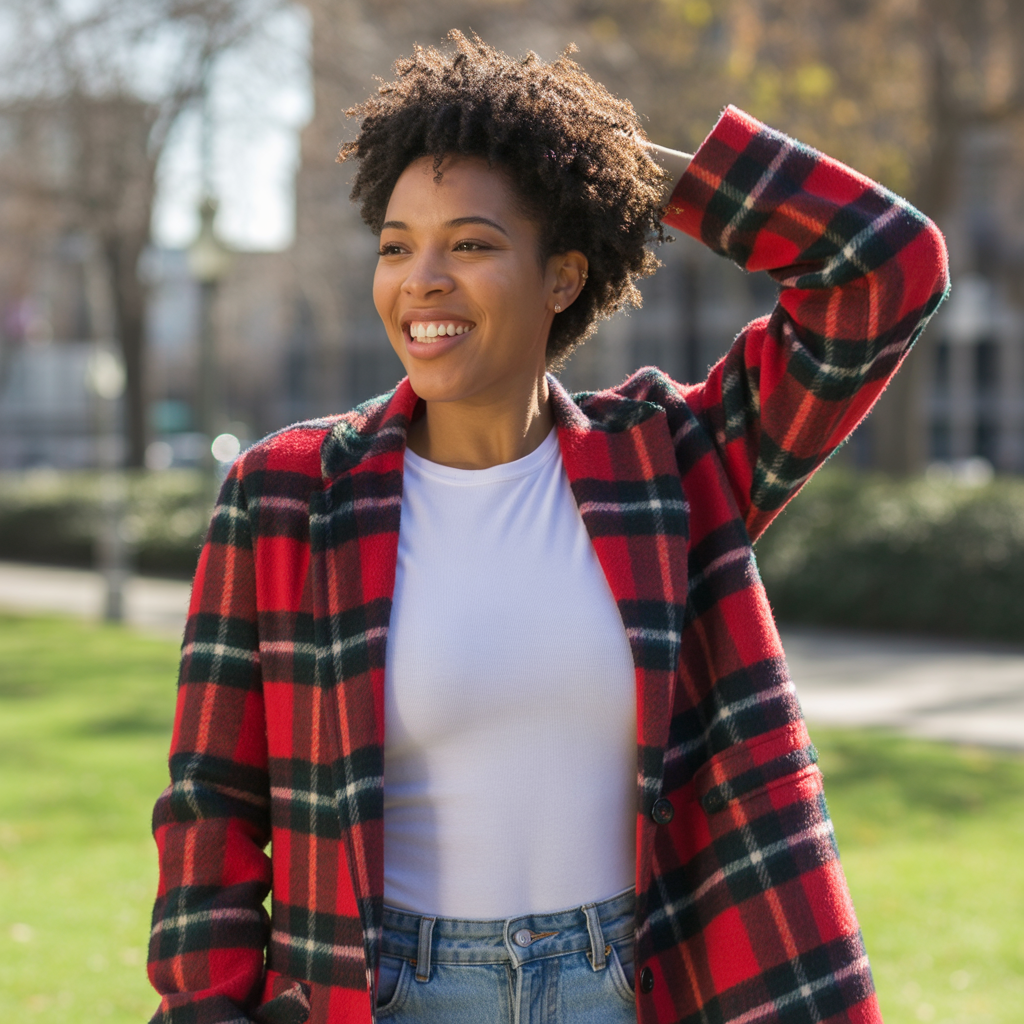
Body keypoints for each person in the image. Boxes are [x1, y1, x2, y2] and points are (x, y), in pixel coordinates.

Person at [147, 30, 948, 1024]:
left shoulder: (671, 461)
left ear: (562, 276)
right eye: (396, 246)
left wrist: (599, 163)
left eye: (471, 243)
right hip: (387, 990)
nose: (421, 279)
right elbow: (212, 797)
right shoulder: (285, 493)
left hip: (638, 981)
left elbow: (885, 267)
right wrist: (204, 1001)